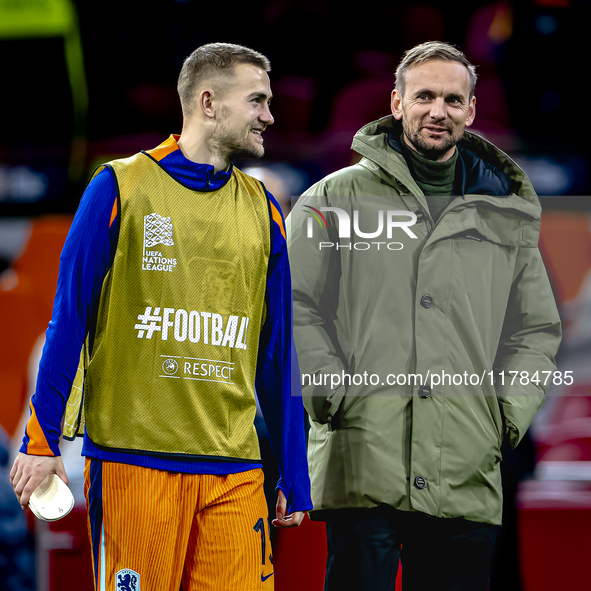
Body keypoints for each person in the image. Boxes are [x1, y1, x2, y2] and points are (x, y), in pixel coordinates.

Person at [10, 42, 312, 591]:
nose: (270, 114)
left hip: (235, 468)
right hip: (135, 465)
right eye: (258, 100)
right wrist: (41, 440)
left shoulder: (266, 211)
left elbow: (278, 352)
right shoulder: (118, 186)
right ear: (208, 102)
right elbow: (68, 322)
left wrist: (294, 467)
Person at [287, 41, 561, 591]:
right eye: (425, 96)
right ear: (396, 103)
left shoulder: (505, 213)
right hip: (361, 462)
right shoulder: (331, 200)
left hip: (464, 468)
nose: (439, 110)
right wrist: (328, 395)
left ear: (472, 110)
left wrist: (504, 416)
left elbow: (535, 328)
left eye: (453, 99)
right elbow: (295, 304)